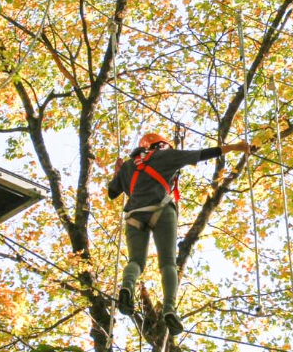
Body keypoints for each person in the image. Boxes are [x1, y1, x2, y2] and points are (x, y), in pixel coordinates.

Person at [107, 132, 254, 334]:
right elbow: (202, 154)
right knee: (167, 263)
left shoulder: (128, 166)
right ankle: (169, 307)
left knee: (136, 262)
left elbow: (112, 193)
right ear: (159, 145)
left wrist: (118, 174)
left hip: (134, 215)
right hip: (161, 210)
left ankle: (127, 286)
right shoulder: (166, 155)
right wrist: (234, 147)